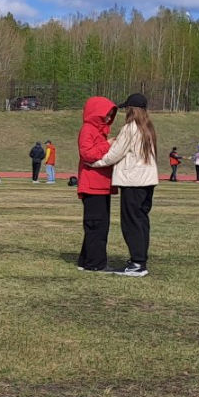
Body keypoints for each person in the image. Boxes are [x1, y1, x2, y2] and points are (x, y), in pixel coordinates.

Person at [94, 93, 158, 276]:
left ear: (131, 110)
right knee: (141, 221)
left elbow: (116, 153)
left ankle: (137, 263)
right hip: (147, 180)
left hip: (133, 181)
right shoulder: (148, 128)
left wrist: (96, 163)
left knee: (131, 222)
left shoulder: (130, 128)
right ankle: (140, 259)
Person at [75, 96, 115, 271]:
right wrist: (108, 145)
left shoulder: (97, 131)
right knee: (97, 225)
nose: (108, 118)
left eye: (111, 115)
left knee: (97, 224)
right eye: (106, 114)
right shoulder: (88, 129)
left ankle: (86, 260)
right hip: (93, 185)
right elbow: (87, 154)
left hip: (100, 185)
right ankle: (95, 264)